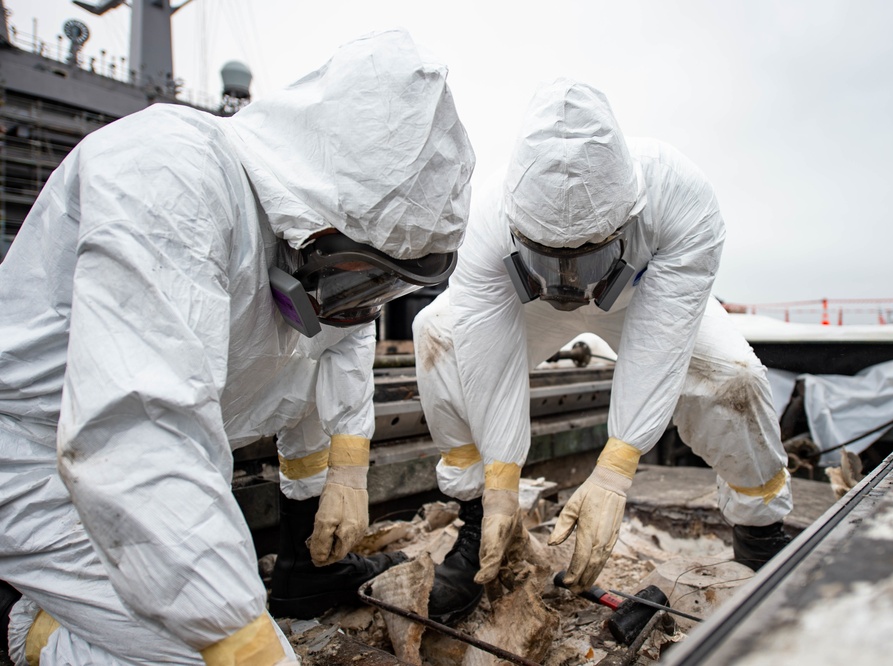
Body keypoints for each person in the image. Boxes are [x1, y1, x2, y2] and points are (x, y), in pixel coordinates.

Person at [0, 29, 474, 665]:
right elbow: (139, 425)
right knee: (220, 648)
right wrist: (237, 637)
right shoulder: (169, 172)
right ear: (316, 213)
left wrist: (348, 466)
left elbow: (345, 338)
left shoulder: (310, 240)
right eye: (372, 273)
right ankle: (28, 622)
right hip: (43, 465)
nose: (370, 305)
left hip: (153, 471)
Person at [412, 78, 792, 625]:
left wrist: (615, 470)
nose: (572, 279)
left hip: (641, 291)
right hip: (532, 300)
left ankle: (759, 537)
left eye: (583, 257)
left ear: (625, 219)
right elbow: (485, 358)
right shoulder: (489, 218)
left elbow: (661, 341)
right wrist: (499, 485)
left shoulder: (679, 195)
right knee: (439, 335)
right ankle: (478, 526)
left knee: (735, 379)